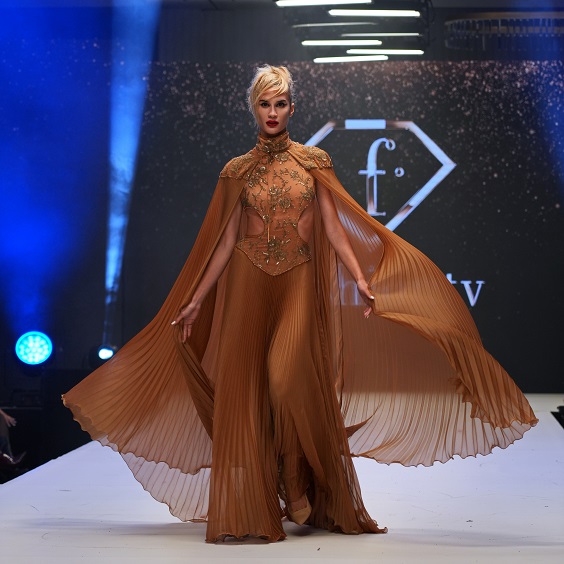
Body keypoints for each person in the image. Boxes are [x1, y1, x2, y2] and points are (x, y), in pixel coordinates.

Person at [63, 65, 537, 543]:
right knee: (247, 391)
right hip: (248, 285)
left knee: (287, 378)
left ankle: (305, 485)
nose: (272, 112)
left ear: (293, 107)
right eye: (264, 104)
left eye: (280, 103)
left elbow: (333, 226)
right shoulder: (236, 170)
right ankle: (258, 502)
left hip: (297, 285)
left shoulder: (314, 161)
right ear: (254, 109)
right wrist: (196, 300)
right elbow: (224, 243)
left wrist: (360, 277)